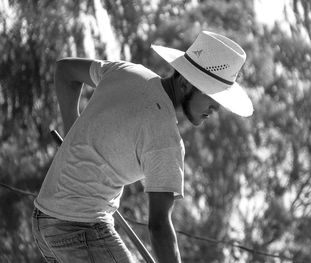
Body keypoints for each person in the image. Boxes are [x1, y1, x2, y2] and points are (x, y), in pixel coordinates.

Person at [32, 31, 253, 263]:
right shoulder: (166, 140)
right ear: (186, 83)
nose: (215, 109)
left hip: (44, 221)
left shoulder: (126, 72)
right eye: (213, 98)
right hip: (80, 227)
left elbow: (65, 70)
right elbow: (159, 226)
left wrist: (71, 130)